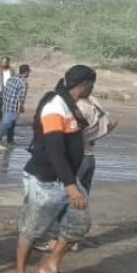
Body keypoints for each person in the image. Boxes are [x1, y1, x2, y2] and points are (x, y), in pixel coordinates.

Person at [9, 65, 97, 273]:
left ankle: (49, 267)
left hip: (66, 177)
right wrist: (71, 187)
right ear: (87, 84)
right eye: (92, 85)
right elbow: (55, 150)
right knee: (33, 229)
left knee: (79, 224)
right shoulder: (54, 107)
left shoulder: (70, 105)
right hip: (45, 179)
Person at [37, 91, 117, 253]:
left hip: (77, 158)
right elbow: (113, 122)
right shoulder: (94, 102)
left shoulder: (76, 107)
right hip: (90, 157)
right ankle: (73, 241)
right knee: (81, 200)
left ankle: (55, 240)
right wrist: (93, 138)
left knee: (64, 199)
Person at [0, 64, 31, 149]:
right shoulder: (23, 83)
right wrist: (19, 109)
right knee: (6, 123)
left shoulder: (10, 79)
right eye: (29, 72)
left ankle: (9, 141)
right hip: (13, 107)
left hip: (6, 105)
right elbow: (21, 99)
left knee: (11, 124)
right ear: (26, 72)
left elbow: (5, 93)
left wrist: (3, 105)